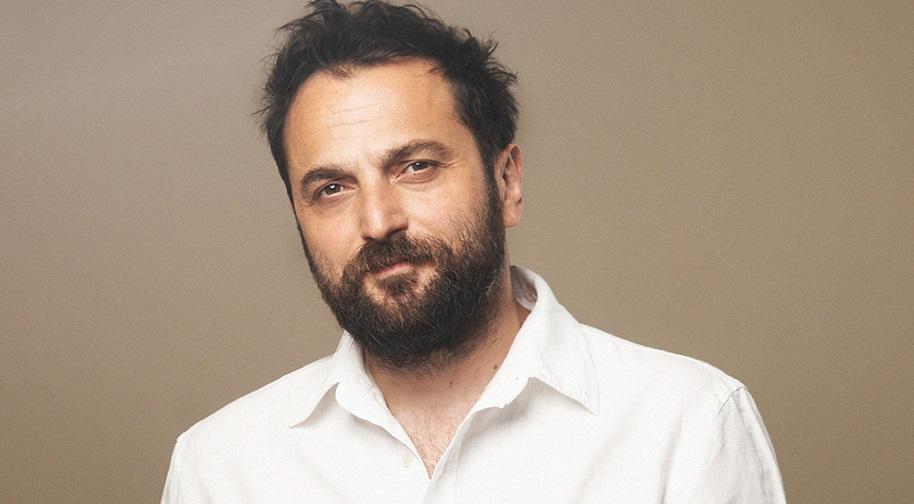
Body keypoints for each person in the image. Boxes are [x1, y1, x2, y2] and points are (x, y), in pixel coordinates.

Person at [161, 1, 786, 502]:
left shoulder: (688, 424)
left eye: (415, 166)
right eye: (332, 188)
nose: (377, 222)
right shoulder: (220, 468)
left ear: (506, 182)